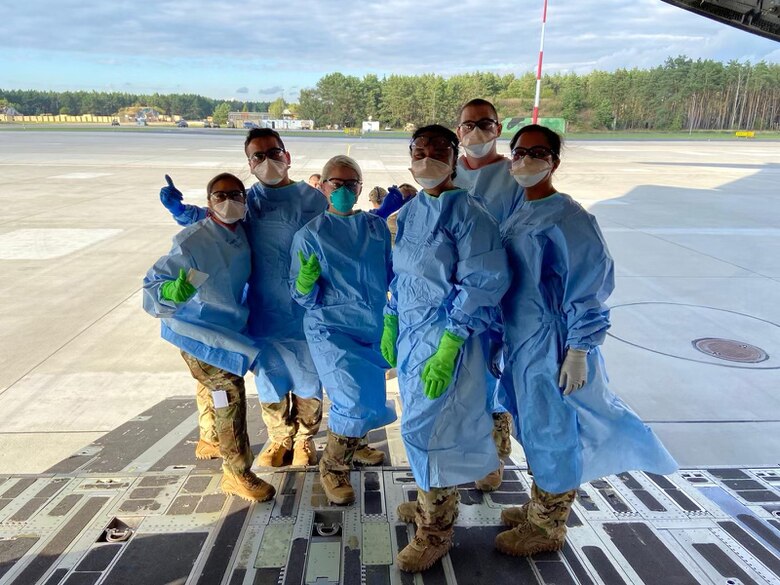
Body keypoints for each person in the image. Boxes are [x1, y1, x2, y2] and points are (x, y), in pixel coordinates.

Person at [495, 124, 678, 557]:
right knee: (534, 427)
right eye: (518, 152)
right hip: (523, 341)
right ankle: (542, 505)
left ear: (554, 161)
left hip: (553, 345)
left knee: (555, 429)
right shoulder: (523, 210)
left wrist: (578, 349)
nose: (524, 160)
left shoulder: (571, 219)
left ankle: (548, 526)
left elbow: (589, 288)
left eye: (537, 152)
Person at [381, 125, 510, 573]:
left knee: (432, 432)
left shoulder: (469, 213)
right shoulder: (414, 210)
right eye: (419, 151)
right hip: (415, 338)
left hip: (450, 344)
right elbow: (402, 272)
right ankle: (428, 504)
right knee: (416, 427)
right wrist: (392, 318)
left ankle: (436, 532)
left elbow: (485, 282)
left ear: (455, 157)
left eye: (438, 150)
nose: (428, 158)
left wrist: (450, 342)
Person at [159, 128, 327, 468]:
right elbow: (216, 218)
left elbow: (337, 236)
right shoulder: (248, 201)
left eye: (273, 153)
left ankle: (305, 440)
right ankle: (280, 437)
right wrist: (181, 211)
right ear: (249, 164)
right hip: (263, 310)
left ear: (287, 156)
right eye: (258, 156)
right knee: (271, 377)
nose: (268, 161)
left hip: (306, 308)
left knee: (309, 377)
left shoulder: (313, 200)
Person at [143, 173, 275, 503]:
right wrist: (172, 291)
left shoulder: (240, 231)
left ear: (245, 200)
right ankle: (236, 473)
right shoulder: (192, 242)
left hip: (227, 328)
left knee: (216, 392)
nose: (228, 201)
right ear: (210, 203)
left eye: (235, 194)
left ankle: (211, 438)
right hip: (197, 332)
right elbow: (151, 291)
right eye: (220, 196)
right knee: (227, 393)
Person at [290, 155, 397, 505]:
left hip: (371, 324)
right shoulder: (310, 235)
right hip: (330, 328)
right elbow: (302, 296)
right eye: (336, 183)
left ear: (361, 189)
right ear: (322, 186)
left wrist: (395, 315)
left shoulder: (375, 228)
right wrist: (305, 283)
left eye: (352, 184)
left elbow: (390, 272)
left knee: (368, 393)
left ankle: (357, 444)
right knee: (350, 399)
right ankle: (333, 468)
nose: (344, 190)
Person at [454, 98, 524, 492]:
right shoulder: (448, 173)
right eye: (468, 125)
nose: (476, 132)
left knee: (493, 381)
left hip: (499, 299)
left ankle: (492, 459)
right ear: (458, 131)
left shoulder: (515, 178)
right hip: (454, 299)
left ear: (499, 129)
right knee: (459, 381)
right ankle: (461, 451)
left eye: (485, 124)